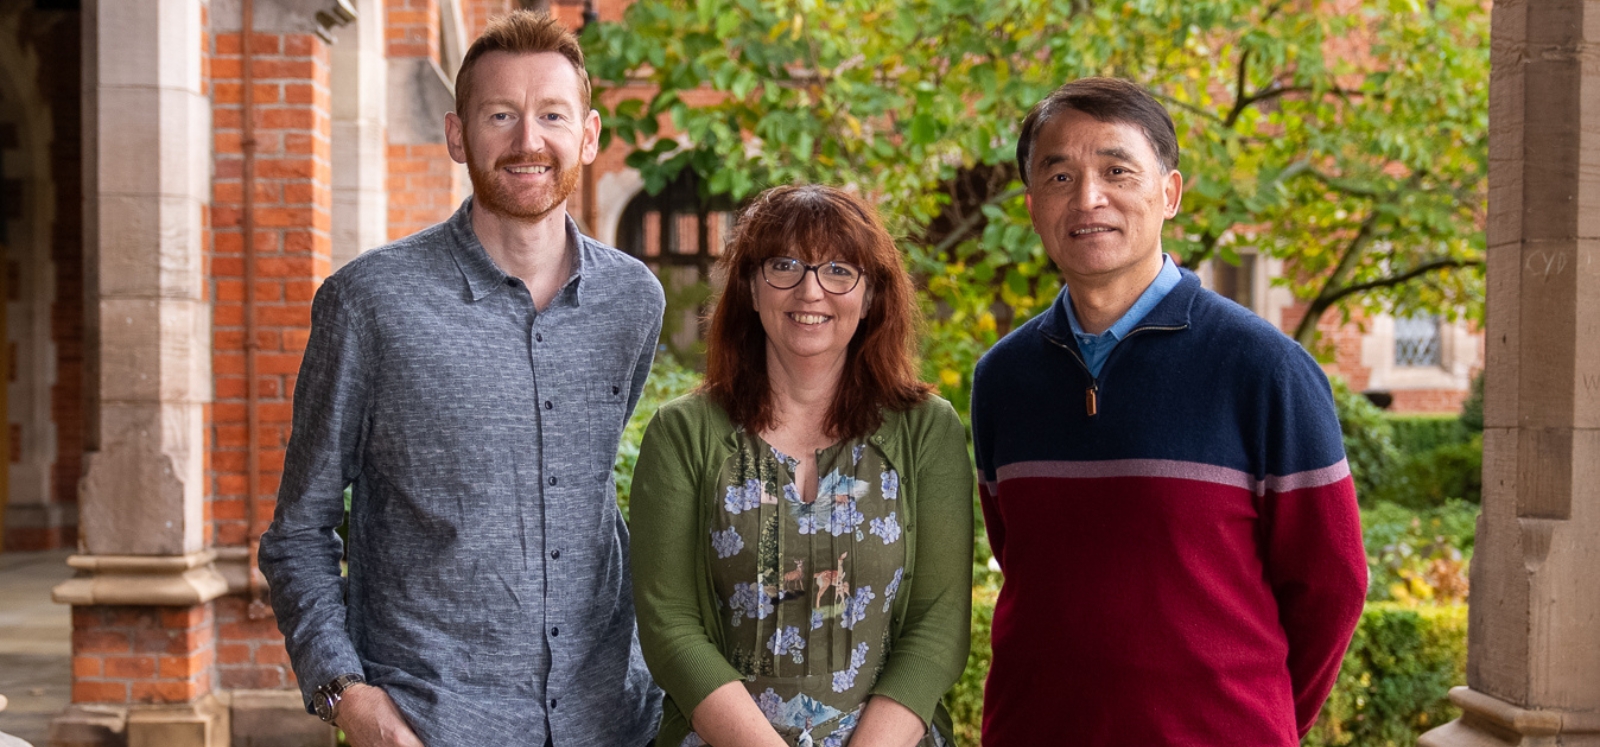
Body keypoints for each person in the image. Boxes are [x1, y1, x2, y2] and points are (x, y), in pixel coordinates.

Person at [257, 11, 664, 747]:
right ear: (456, 135)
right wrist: (347, 694)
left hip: (609, 719)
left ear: (591, 134)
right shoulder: (369, 303)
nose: (527, 141)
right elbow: (299, 531)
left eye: (551, 115)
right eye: (500, 115)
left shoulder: (633, 301)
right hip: (433, 722)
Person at [970, 77, 1367, 745]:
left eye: (1117, 170)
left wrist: (1257, 718)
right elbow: (1025, 561)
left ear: (1170, 193)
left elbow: (1331, 586)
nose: (1089, 197)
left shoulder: (1264, 368)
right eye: (1060, 175)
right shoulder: (1002, 378)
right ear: (1034, 207)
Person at [629, 185, 973, 747]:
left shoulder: (925, 430)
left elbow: (937, 624)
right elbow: (670, 627)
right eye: (784, 264)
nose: (810, 288)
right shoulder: (683, 434)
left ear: (870, 297)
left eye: (840, 269)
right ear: (750, 287)